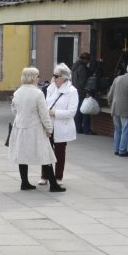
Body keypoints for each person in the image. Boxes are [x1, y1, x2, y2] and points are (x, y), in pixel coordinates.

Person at [8, 67, 58, 191]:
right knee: (45, 154)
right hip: (35, 128)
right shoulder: (38, 93)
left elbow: (14, 110)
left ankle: (24, 182)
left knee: (22, 155)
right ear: (33, 77)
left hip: (19, 126)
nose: (39, 78)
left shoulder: (17, 92)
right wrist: (49, 128)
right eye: (38, 76)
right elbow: (44, 113)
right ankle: (53, 184)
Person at [42, 63, 78, 192]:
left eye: (56, 76)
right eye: (53, 75)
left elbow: (72, 112)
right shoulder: (51, 88)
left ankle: (58, 177)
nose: (53, 78)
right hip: (49, 125)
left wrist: (55, 113)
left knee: (59, 153)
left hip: (62, 126)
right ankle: (45, 175)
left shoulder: (72, 91)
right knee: (46, 151)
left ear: (64, 77)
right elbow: (45, 103)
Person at [71, 53, 95, 135]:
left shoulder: (75, 67)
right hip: (82, 92)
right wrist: (87, 91)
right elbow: (83, 81)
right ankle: (86, 129)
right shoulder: (82, 68)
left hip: (76, 91)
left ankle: (78, 128)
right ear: (85, 60)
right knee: (85, 110)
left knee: (78, 111)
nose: (88, 62)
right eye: (88, 60)